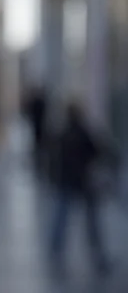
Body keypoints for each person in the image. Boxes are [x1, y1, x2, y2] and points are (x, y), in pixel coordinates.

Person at [48, 103, 112, 277]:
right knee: (89, 224)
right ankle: (98, 257)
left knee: (63, 221)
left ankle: (56, 252)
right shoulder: (81, 133)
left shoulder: (63, 133)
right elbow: (98, 151)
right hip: (81, 183)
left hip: (70, 183)